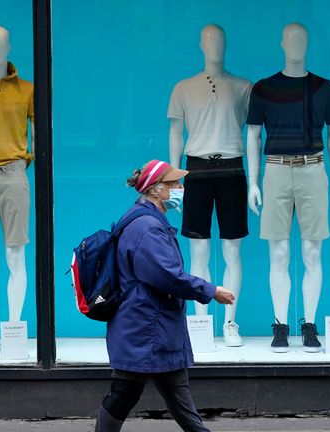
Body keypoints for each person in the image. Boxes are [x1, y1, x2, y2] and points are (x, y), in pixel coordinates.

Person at [95, 160, 236, 432]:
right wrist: (211, 290)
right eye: (175, 184)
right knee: (124, 394)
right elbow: (167, 276)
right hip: (146, 327)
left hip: (150, 326)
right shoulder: (147, 227)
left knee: (172, 395)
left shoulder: (144, 220)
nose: (181, 188)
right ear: (156, 190)